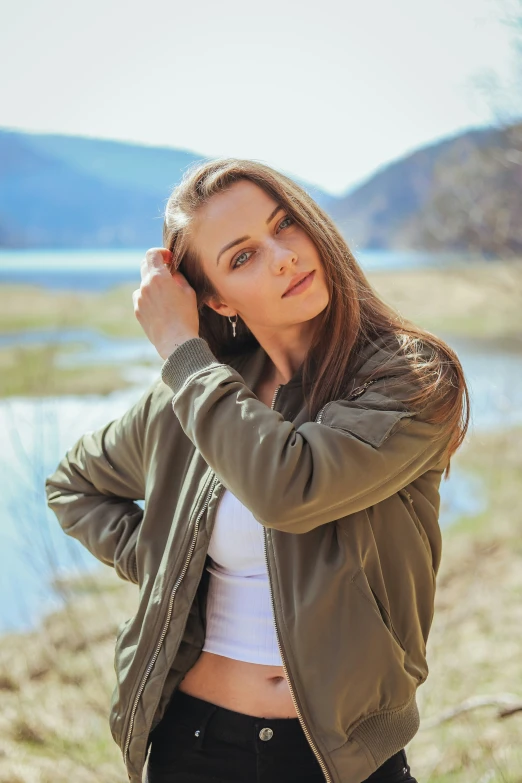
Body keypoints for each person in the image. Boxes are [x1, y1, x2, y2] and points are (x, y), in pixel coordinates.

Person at [45, 158, 470, 783]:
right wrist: (167, 563)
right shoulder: (194, 398)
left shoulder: (409, 380)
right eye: (241, 257)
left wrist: (180, 353)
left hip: (341, 759)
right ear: (215, 298)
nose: (282, 257)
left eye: (285, 225)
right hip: (191, 743)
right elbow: (72, 485)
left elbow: (289, 489)